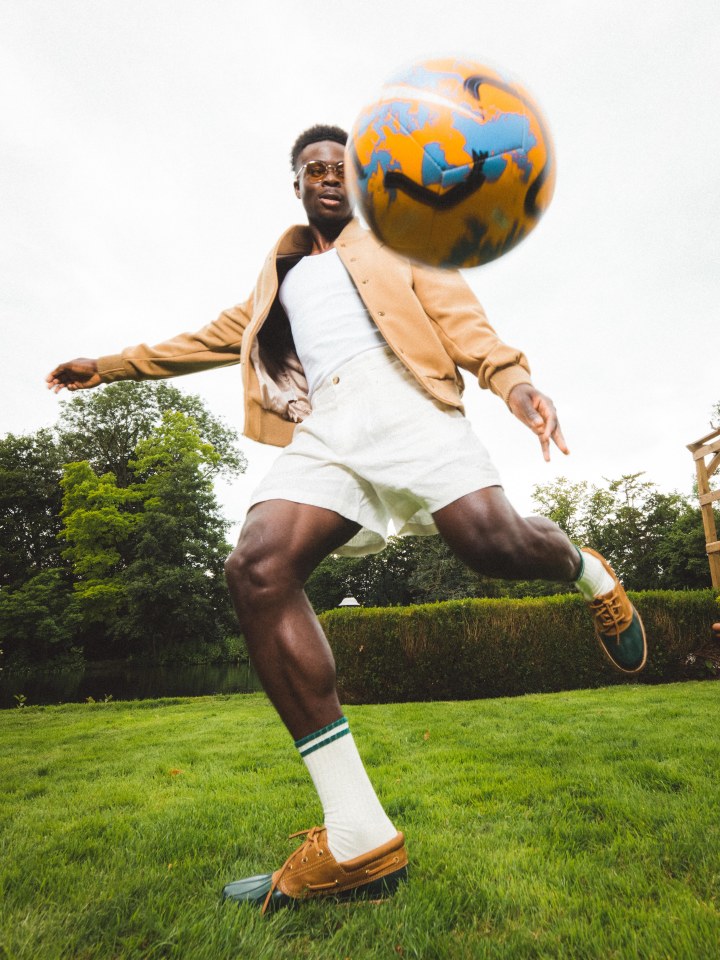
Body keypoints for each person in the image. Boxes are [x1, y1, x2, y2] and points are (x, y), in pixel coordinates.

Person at [47, 123, 647, 914]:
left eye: (342, 168)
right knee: (257, 565)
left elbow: (468, 327)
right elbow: (200, 342)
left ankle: (587, 569)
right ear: (297, 186)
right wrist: (112, 366)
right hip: (328, 428)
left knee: (492, 543)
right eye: (314, 169)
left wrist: (514, 384)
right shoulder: (280, 276)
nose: (329, 177)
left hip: (410, 407)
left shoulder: (403, 247)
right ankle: (359, 834)